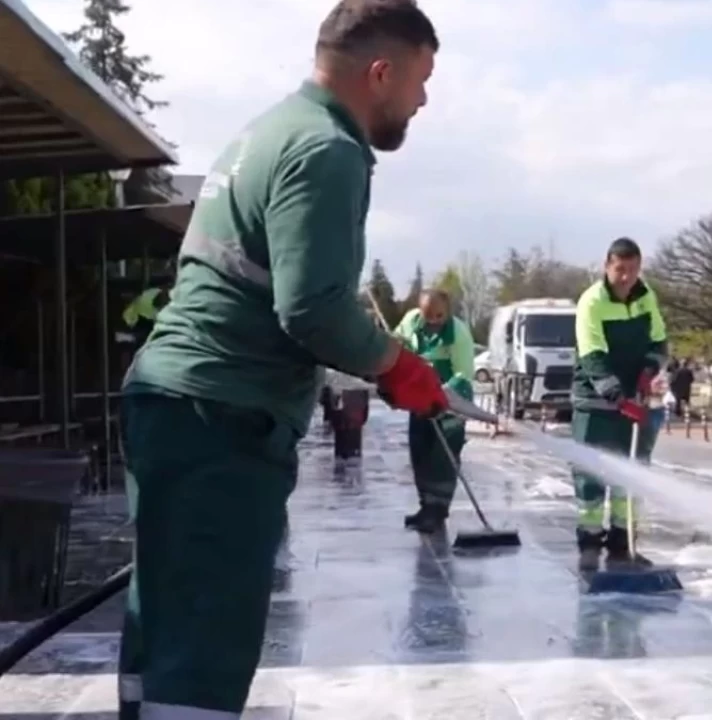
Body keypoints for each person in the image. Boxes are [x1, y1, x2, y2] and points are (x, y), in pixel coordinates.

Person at [113, 3, 446, 717]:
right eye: (420, 81)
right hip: (221, 416)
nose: (423, 100)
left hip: (178, 403)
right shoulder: (327, 149)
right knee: (203, 647)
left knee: (164, 629)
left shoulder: (269, 129)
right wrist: (394, 364)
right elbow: (313, 307)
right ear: (379, 72)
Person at [571, 237, 668, 572]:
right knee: (591, 474)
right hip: (595, 403)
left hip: (635, 400)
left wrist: (649, 370)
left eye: (633, 269)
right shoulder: (592, 302)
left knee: (631, 473)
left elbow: (658, 340)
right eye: (620, 269)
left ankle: (622, 544)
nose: (626, 277)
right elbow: (592, 356)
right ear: (607, 267)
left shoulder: (646, 297)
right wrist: (616, 397)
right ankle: (589, 542)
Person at [393, 288, 476, 533]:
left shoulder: (458, 334)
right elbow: (397, 342)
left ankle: (438, 510)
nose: (433, 323)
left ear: (447, 311)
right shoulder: (411, 322)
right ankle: (425, 506)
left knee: (443, 456)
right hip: (420, 398)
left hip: (452, 400)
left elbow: (463, 374)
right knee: (420, 452)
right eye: (428, 316)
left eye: (438, 316)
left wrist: (441, 397)